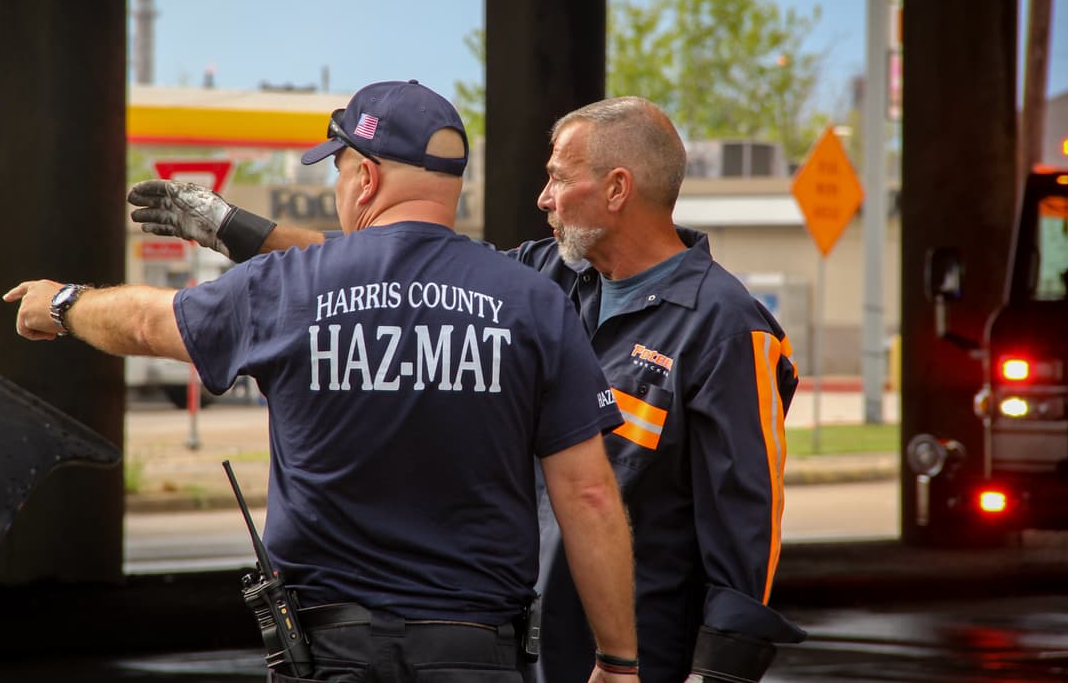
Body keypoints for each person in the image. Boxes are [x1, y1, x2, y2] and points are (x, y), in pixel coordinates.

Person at [129, 95, 806, 682]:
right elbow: (384, 269)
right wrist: (231, 227)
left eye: (557, 179)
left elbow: (746, 526)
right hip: (526, 648)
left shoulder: (725, 328)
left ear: (618, 190)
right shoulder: (545, 278)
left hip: (638, 659)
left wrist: (717, 672)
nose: (541, 198)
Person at [8, 79, 641, 683]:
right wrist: (618, 660)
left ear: (366, 178)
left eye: (339, 171)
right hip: (477, 651)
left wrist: (63, 303)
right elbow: (589, 496)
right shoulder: (532, 302)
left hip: (329, 652)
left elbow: (148, 324)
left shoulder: (289, 285)